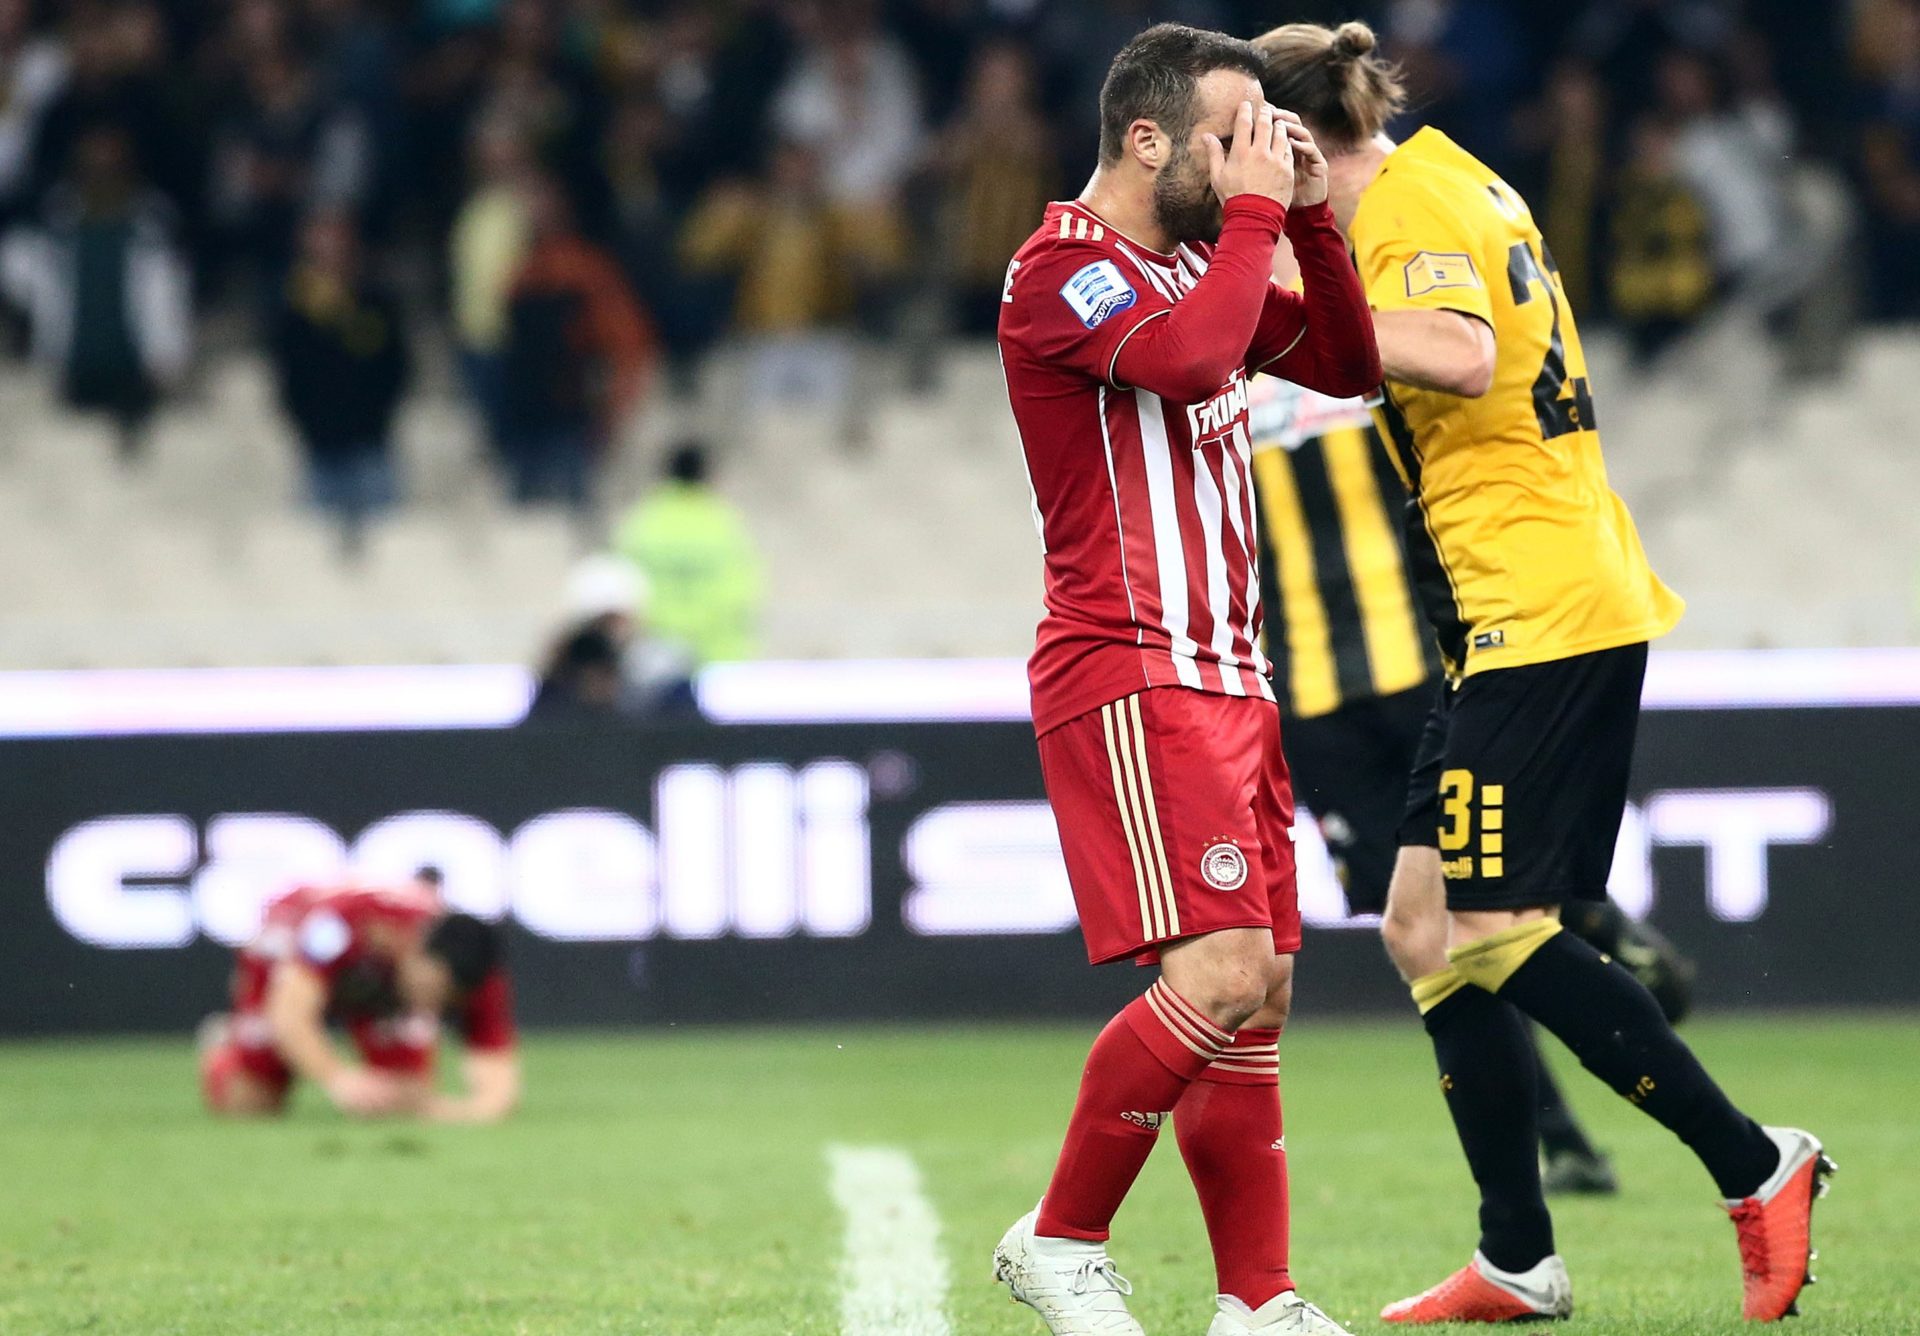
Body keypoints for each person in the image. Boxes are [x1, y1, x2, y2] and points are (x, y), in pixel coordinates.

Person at [1253, 21, 1829, 1325]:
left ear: (1292, 143)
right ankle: (1517, 1254)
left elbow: (1460, 350)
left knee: (1495, 929)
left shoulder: (1408, 205)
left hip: (1539, 598)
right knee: (1420, 928)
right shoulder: (1443, 178)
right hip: (1498, 602)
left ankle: (1756, 1162)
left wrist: (1284, 324)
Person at [993, 24, 1380, 1336]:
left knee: (1260, 991)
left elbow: (1348, 367)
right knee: (1216, 975)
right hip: (1131, 663)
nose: (1248, 160)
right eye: (1230, 137)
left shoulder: (1198, 263)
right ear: (1146, 138)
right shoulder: (1063, 267)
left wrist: (1308, 219)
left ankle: (1258, 1300)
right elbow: (1189, 362)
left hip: (1231, 672)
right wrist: (1262, 221)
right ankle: (1060, 1239)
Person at [1245, 266, 1696, 1197]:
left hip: (1423, 667)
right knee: (1424, 928)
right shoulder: (1221, 347)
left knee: (1479, 896)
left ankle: (1593, 922)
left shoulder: (1359, 324)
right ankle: (1563, 1139)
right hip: (1312, 700)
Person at [199, 877, 520, 1125]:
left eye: (445, 1001)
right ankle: (224, 1044)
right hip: (286, 962)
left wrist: (457, 1112)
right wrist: (339, 1079)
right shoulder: (341, 926)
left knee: (397, 1095)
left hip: (378, 984)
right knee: (250, 1104)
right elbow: (290, 1015)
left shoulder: (477, 968)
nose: (431, 1008)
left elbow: (496, 1088)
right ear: (414, 945)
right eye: (430, 990)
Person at [269, 209, 411, 539]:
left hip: (371, 443)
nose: (330, 248)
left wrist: (377, 414)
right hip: (320, 447)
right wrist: (308, 421)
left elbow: (393, 364)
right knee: (313, 548)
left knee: (391, 543)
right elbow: (290, 374)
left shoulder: (374, 301)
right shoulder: (294, 309)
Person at [612, 441, 762, 669]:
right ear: (707, 475)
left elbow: (620, 587)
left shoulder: (643, 522)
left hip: (655, 654)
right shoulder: (723, 524)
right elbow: (744, 591)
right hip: (715, 653)